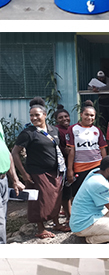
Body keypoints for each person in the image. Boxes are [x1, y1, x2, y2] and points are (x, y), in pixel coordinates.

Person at [12, 101, 65, 240]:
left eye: (37, 115)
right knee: (40, 200)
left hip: (54, 171)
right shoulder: (28, 133)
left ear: (45, 115)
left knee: (55, 198)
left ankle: (56, 223)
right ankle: (41, 229)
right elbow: (15, 153)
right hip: (36, 172)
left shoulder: (54, 130)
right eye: (31, 115)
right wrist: (23, 173)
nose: (34, 118)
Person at [69, 155, 109, 244]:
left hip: (81, 219)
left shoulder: (96, 173)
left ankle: (93, 231)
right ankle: (87, 240)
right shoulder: (99, 183)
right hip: (82, 225)